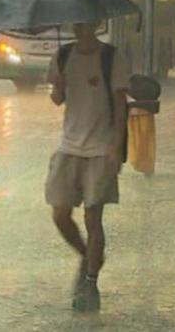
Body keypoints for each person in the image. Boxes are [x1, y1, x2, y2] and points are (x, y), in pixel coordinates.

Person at [46, 21, 129, 313]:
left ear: (94, 25)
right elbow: (57, 99)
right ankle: (88, 256)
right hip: (69, 147)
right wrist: (57, 88)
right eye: (76, 24)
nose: (80, 28)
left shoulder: (111, 57)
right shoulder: (62, 55)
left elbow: (121, 104)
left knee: (94, 220)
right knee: (60, 213)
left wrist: (116, 147)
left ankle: (91, 282)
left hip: (100, 149)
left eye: (85, 23)